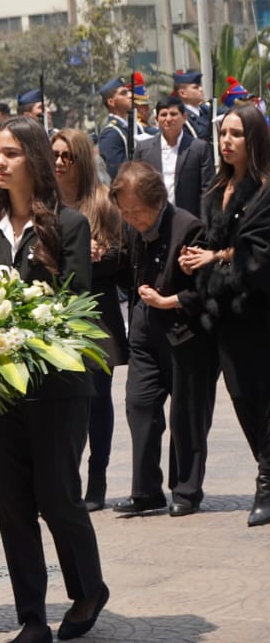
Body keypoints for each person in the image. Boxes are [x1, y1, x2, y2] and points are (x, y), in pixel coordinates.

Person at [0, 117, 109, 643]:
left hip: (56, 388)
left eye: (10, 153)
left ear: (33, 158)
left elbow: (74, 305)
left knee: (58, 499)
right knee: (13, 507)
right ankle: (31, 617)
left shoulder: (67, 225)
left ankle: (89, 588)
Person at [179, 104, 270, 527]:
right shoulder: (216, 191)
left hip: (260, 313)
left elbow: (259, 254)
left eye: (236, 134)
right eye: (223, 133)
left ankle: (266, 484)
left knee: (265, 400)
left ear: (254, 141)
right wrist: (196, 260)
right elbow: (212, 243)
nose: (227, 141)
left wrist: (216, 257)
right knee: (242, 398)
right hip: (225, 317)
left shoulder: (266, 190)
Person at [110, 161, 217, 517]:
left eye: (137, 212)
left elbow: (208, 289)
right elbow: (126, 267)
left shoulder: (189, 228)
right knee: (139, 405)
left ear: (157, 201)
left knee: (187, 415)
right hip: (144, 333)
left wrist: (170, 300)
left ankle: (186, 490)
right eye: (125, 213)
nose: (132, 219)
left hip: (185, 336)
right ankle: (146, 491)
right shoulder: (131, 229)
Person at [51, 128, 127, 513]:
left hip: (97, 313)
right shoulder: (43, 203)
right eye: (56, 156)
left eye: (69, 156)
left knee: (97, 400)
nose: (61, 163)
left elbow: (125, 259)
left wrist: (103, 255)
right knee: (64, 405)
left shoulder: (103, 203)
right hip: (56, 315)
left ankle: (97, 478)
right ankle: (68, 479)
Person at [136, 96, 214, 218]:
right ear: (157, 119)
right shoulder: (143, 149)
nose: (168, 119)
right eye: (163, 115)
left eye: (173, 114)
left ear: (184, 117)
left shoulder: (199, 148)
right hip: (153, 222)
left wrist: (203, 225)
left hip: (189, 221)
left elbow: (207, 190)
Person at [97, 75, 134, 178]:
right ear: (111, 102)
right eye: (123, 93)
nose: (130, 95)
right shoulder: (111, 133)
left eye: (129, 91)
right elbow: (119, 173)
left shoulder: (132, 126)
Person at [173, 70, 211, 141]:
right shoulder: (181, 117)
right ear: (183, 93)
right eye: (195, 87)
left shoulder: (206, 109)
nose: (201, 89)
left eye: (200, 86)